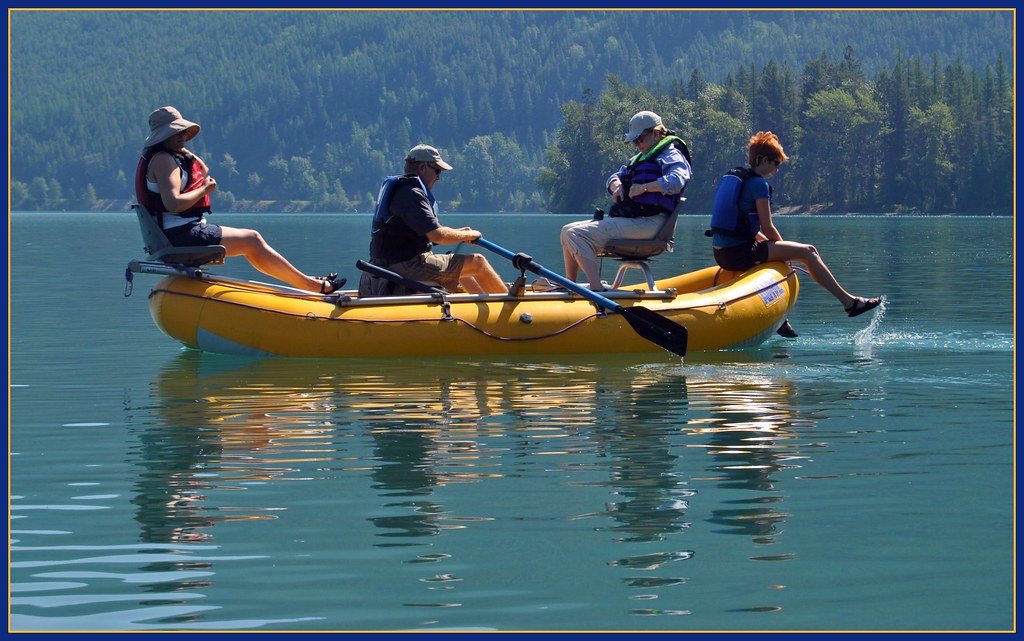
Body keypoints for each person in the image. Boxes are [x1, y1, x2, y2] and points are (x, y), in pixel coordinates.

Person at [135, 106, 345, 294]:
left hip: (176, 233)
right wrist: (205, 190)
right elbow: (173, 203)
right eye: (175, 133)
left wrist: (183, 150)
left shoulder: (166, 156)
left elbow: (203, 169)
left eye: (182, 132)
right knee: (252, 240)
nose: (182, 136)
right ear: (161, 137)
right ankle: (310, 285)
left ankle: (306, 283)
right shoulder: (164, 161)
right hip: (181, 235)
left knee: (252, 243)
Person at [708, 131, 880, 318]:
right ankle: (849, 303)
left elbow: (745, 227)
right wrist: (785, 254)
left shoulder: (740, 178)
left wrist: (777, 248)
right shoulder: (758, 185)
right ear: (764, 160)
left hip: (721, 253)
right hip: (738, 254)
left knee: (781, 252)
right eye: (776, 163)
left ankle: (781, 321)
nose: (777, 169)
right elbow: (768, 227)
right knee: (808, 252)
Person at [561, 111, 691, 291]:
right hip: (635, 221)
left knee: (576, 235)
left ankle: (596, 289)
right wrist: (617, 186)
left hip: (652, 224)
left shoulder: (671, 155)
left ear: (655, 133)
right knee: (566, 230)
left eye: (640, 139)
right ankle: (571, 286)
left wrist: (644, 187)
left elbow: (677, 181)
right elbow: (614, 177)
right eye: (635, 141)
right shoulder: (639, 158)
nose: (637, 144)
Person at [359, 144, 508, 296]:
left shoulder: (401, 190)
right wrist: (470, 235)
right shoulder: (412, 194)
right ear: (422, 168)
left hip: (385, 265)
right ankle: (509, 308)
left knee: (460, 267)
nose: (438, 177)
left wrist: (459, 232)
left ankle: (482, 306)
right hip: (407, 266)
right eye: (437, 171)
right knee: (478, 263)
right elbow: (438, 236)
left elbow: (425, 233)